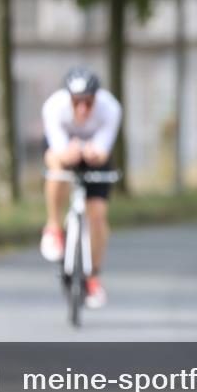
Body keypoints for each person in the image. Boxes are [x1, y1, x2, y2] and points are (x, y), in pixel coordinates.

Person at [40, 68, 122, 309]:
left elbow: (103, 150)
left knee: (97, 216)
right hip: (64, 150)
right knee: (55, 165)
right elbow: (58, 149)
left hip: (94, 154)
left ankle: (93, 276)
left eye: (89, 102)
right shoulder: (54, 107)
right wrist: (68, 154)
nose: (83, 108)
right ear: (69, 99)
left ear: (96, 98)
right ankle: (53, 226)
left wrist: (94, 154)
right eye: (78, 102)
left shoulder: (111, 109)